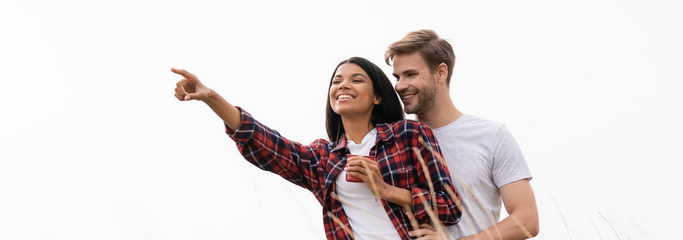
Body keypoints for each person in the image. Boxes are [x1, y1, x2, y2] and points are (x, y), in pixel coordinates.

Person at [172, 57, 461, 240]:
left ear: (376, 97)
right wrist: (210, 97)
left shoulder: (409, 135)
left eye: (356, 79)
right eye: (337, 81)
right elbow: (264, 142)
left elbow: (451, 206)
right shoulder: (323, 158)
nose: (343, 85)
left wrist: (386, 189)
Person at [386, 30, 539, 240]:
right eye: (397, 77)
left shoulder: (492, 135)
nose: (400, 85)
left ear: (441, 72)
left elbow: (527, 219)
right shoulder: (390, 143)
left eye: (410, 74)